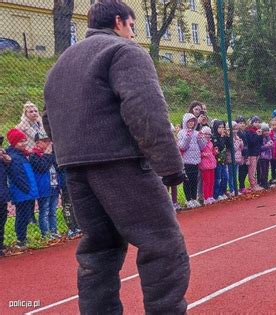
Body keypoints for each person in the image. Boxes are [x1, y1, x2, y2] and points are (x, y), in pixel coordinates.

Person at [42, 1, 190, 313]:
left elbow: (48, 118)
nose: (133, 34)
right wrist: (170, 166)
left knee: (98, 250)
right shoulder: (124, 51)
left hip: (75, 169)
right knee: (162, 243)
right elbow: (145, 108)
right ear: (120, 21)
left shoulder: (61, 64)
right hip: (121, 163)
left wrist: (71, 153)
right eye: (133, 27)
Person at [5, 129, 39, 250]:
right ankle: (21, 239)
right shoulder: (14, 157)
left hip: (28, 191)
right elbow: (17, 177)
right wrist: (27, 189)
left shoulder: (23, 155)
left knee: (26, 216)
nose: (24, 143)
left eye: (25, 140)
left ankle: (23, 237)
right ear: (14, 143)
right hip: (22, 192)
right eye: (20, 141)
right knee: (22, 216)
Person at [29, 133, 60, 240]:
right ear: (37, 143)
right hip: (44, 188)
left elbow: (57, 165)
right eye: (44, 141)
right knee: (44, 211)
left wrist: (50, 155)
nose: (47, 143)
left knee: (53, 211)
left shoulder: (50, 155)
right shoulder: (34, 155)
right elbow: (42, 167)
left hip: (54, 186)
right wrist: (48, 155)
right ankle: (46, 234)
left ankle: (54, 231)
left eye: (48, 141)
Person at [178, 113, 206, 208]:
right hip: (186, 161)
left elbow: (202, 147)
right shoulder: (181, 133)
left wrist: (201, 138)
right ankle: (188, 199)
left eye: (193, 121)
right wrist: (187, 137)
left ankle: (194, 198)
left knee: (194, 181)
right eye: (189, 121)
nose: (191, 123)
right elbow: (182, 147)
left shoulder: (197, 133)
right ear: (185, 122)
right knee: (187, 180)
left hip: (195, 161)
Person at [199, 126, 217, 205]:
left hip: (212, 163)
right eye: (205, 134)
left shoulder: (211, 143)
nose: (207, 136)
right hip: (204, 164)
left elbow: (212, 152)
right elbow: (198, 152)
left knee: (211, 181)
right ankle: (206, 197)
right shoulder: (200, 143)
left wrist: (215, 152)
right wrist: (203, 154)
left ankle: (210, 195)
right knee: (206, 181)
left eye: (209, 134)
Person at [0, 135, 11, 256]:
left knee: (2, 219)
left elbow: (9, 162)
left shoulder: (2, 157)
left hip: (2, 193)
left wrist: (5, 157)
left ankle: (0, 245)